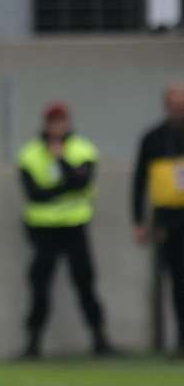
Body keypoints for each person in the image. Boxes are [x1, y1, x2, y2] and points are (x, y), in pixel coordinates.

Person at [18, 102, 113, 359]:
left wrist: (61, 161)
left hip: (75, 226)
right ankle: (33, 343)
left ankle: (100, 338)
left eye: (61, 121)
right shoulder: (30, 153)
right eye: (52, 122)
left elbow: (82, 182)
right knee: (40, 286)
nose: (57, 127)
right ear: (45, 124)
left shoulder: (82, 149)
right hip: (43, 229)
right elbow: (34, 195)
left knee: (85, 282)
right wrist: (66, 186)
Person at [132, 83, 184, 356]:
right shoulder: (153, 138)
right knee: (176, 280)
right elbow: (139, 181)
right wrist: (138, 220)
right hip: (168, 219)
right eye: (174, 102)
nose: (178, 107)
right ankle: (179, 341)